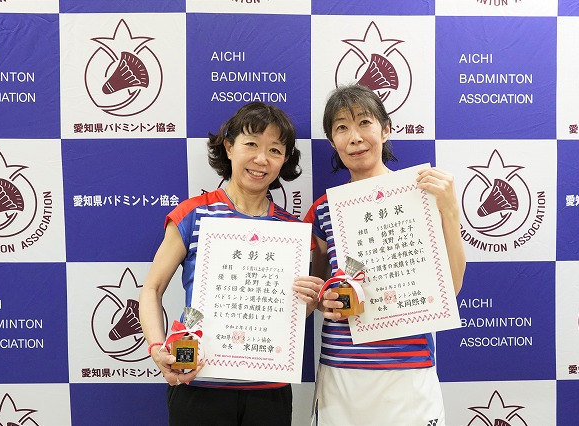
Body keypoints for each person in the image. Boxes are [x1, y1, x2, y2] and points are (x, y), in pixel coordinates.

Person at [297, 84, 466, 426]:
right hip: (342, 370)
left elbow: (453, 287)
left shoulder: (423, 195)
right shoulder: (323, 210)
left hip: (409, 368)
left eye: (364, 122)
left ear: (385, 129)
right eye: (342, 127)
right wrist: (322, 298)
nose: (355, 137)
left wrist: (450, 210)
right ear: (332, 141)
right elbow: (316, 290)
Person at [139, 102, 306, 426]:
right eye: (251, 144)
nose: (261, 159)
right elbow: (152, 289)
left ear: (284, 159)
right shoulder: (193, 214)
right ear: (229, 147)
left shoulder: (292, 230)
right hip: (198, 384)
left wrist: (308, 301)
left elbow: (291, 312)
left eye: (274, 150)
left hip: (269, 389)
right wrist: (158, 347)